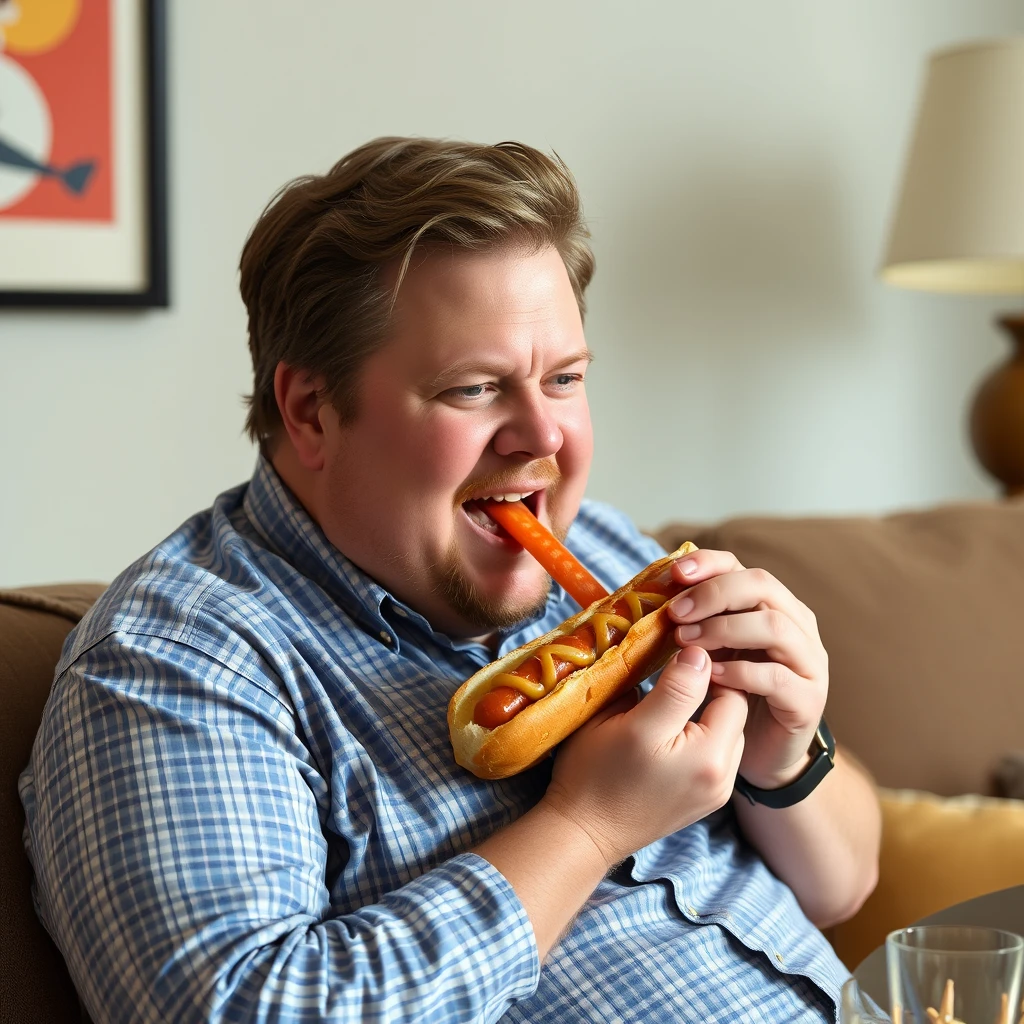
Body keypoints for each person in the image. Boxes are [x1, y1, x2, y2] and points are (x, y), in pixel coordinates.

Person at [20, 137, 882, 1023]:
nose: (544, 438)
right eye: (475, 389)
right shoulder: (177, 660)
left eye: (566, 378)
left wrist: (785, 756)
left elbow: (844, 884)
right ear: (311, 412)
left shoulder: (616, 555)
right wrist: (588, 828)